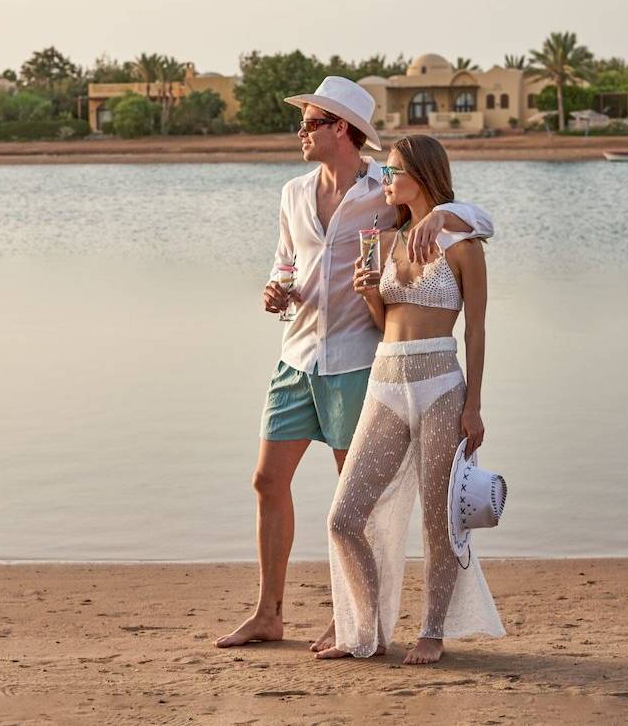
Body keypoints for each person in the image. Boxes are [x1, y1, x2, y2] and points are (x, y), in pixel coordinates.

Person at [215, 77, 492, 649]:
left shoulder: (379, 193)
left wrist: (444, 216)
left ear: (341, 128)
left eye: (311, 121)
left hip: (359, 362)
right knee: (268, 480)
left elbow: (472, 217)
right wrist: (276, 287)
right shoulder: (293, 192)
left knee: (363, 498)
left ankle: (357, 617)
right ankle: (271, 612)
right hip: (297, 355)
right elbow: (286, 262)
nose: (301, 131)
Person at [316, 133, 504, 664]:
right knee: (344, 515)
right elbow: (383, 325)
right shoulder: (385, 242)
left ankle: (433, 630)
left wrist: (475, 404)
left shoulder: (462, 246)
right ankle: (366, 630)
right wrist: (371, 295)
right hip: (385, 384)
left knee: (438, 519)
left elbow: (477, 331)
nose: (386, 180)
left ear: (420, 175)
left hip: (442, 386)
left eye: (394, 171)